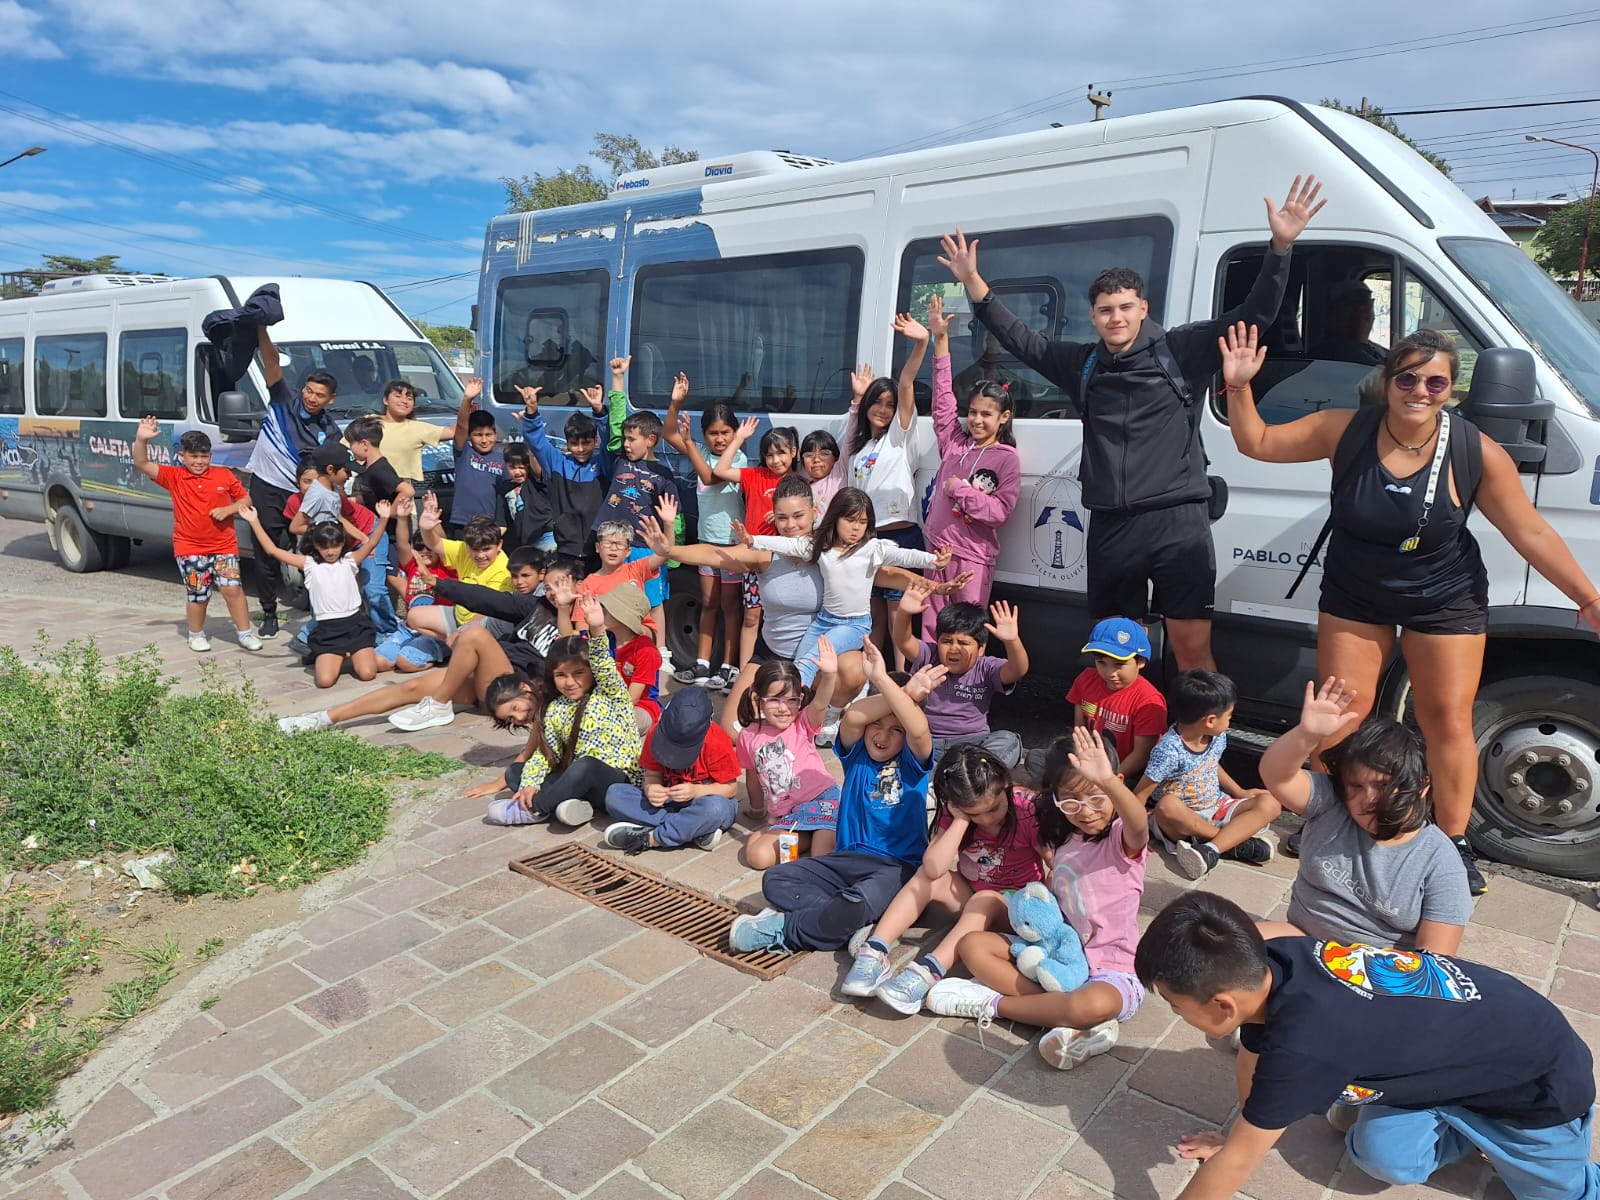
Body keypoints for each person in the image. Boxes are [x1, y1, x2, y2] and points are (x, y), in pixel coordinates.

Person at [1220, 322, 1600, 895]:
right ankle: (1331, 818)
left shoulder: (1474, 451)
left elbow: (1530, 532)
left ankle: (1453, 843)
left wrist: (1589, 599)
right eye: (1409, 378)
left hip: (1444, 595)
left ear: (1451, 390)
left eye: (1436, 382)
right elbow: (1258, 443)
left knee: (1446, 720)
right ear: (1388, 381)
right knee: (1341, 713)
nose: (1420, 391)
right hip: (1356, 592)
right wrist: (1240, 388)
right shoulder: (1344, 429)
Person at [938, 175, 1327, 671]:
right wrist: (975, 283)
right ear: (1094, 317)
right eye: (1105, 311)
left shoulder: (1182, 350)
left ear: (1143, 308)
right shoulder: (1083, 364)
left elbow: (1256, 314)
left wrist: (1280, 248)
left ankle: (1200, 744)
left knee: (1190, 648)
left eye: (1125, 308)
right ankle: (1123, 741)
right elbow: (1022, 341)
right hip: (1112, 527)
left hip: (1177, 523)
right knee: (1114, 651)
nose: (1115, 318)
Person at [1136, 891, 1600, 1200]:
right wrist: (1237, 1135)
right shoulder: (1275, 963)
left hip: (1535, 1086)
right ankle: (1450, 1122)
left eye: (1177, 1006)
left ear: (1221, 1006)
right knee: (1378, 1156)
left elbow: (1241, 1163)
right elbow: (1253, 1060)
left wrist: (1238, 1149)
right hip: (1450, 1060)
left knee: (1565, 1195)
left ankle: (1522, 1149)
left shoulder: (1305, 1045)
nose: (1176, 1014)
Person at [638, 477, 951, 744]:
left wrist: (931, 583)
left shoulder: (832, 549)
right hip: (772, 654)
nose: (791, 526)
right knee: (732, 732)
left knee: (854, 668)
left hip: (821, 657)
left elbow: (886, 572)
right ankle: (787, 730)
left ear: (815, 512)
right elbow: (718, 554)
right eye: (782, 518)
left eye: (799, 516)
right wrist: (670, 550)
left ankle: (823, 713)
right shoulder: (768, 553)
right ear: (774, 518)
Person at [926, 727, 1150, 1072]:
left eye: (1097, 797)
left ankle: (996, 1004)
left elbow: (1138, 824)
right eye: (1071, 802)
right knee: (972, 947)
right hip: (1056, 950)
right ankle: (1063, 1017)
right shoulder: (1061, 839)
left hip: (1111, 968)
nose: (1086, 811)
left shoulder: (1121, 842)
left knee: (1088, 1004)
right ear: (1056, 800)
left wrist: (1108, 782)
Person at [729, 641, 943, 954]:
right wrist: (899, 689)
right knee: (775, 880)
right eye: (877, 725)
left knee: (860, 900)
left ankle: (785, 930)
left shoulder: (913, 763)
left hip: (894, 866)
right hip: (843, 862)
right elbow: (855, 715)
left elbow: (919, 731)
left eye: (895, 730)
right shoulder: (855, 755)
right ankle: (849, 921)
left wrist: (898, 692)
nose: (882, 736)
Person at [1256, 677, 1472, 953]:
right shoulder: (1333, 803)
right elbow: (1276, 776)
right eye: (1356, 785)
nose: (1368, 798)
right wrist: (1306, 735)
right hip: (1301, 936)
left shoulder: (1440, 862)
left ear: (1421, 786)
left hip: (1376, 966)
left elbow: (1435, 959)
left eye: (1384, 786)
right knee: (1223, 954)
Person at [842, 744, 1043, 1014]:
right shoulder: (959, 810)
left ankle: (927, 972)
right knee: (927, 877)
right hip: (970, 895)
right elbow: (935, 867)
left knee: (984, 900)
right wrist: (960, 821)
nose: (984, 819)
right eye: (974, 813)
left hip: (1017, 909)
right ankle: (875, 952)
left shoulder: (1027, 811)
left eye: (993, 808)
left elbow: (1058, 868)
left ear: (1005, 784)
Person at [747, 487, 949, 683]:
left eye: (862, 522)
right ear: (835, 518)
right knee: (799, 664)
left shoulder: (873, 548)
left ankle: (802, 707)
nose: (856, 527)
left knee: (808, 664)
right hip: (823, 621)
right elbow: (788, 544)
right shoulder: (821, 547)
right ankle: (803, 710)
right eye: (850, 520)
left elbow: (905, 556)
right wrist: (752, 540)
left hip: (855, 625)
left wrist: (934, 561)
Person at [484, 594, 644, 827]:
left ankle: (535, 810)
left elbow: (602, 663)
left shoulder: (611, 693)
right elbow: (546, 754)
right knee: (515, 773)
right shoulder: (554, 708)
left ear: (591, 672)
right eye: (561, 675)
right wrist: (530, 783)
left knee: (585, 766)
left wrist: (597, 627)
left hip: (616, 784)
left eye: (578, 673)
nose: (570, 682)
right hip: (581, 784)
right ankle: (567, 805)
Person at [906, 296, 1021, 619]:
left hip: (973, 559)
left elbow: (999, 512)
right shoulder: (955, 444)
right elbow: (943, 402)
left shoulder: (1006, 458)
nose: (977, 420)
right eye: (972, 412)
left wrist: (960, 490)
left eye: (987, 414)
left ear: (1004, 417)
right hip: (938, 553)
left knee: (966, 629)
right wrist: (940, 341)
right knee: (933, 627)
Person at [275, 620, 542, 734]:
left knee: (475, 635)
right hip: (492, 672)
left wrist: (565, 611)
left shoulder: (565, 616)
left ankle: (438, 705)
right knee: (411, 687)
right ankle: (322, 718)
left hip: (509, 680)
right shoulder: (535, 605)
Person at [130, 418, 259, 652]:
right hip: (189, 547)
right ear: (182, 456)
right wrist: (141, 439)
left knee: (233, 589)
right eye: (193, 456)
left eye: (204, 456)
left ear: (210, 455)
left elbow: (246, 499)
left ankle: (245, 633)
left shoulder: (224, 476)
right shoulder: (173, 476)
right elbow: (141, 462)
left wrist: (228, 509)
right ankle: (196, 634)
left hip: (224, 545)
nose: (199, 461)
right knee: (199, 594)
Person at [243, 325, 339, 639]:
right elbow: (271, 363)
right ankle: (269, 613)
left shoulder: (331, 430)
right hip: (267, 487)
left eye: (320, 395)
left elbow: (334, 470)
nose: (312, 398)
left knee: (312, 551)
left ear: (330, 399)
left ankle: (319, 607)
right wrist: (260, 328)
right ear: (303, 389)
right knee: (266, 553)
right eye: (309, 391)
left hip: (303, 496)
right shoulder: (284, 399)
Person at [1141, 668, 1279, 879]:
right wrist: (1136, 839)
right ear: (1210, 720)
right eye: (1229, 716)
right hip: (1182, 822)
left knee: (1271, 802)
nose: (1230, 721)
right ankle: (1233, 843)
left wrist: (1239, 791)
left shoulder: (1217, 736)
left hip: (1216, 806)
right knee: (1168, 806)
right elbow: (1139, 795)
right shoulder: (1168, 750)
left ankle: (1211, 849)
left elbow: (1211, 765)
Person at [240, 501, 390, 688]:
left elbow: (373, 541)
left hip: (354, 625)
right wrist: (254, 521)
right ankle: (328, 657)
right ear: (316, 546)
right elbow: (272, 550)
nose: (330, 551)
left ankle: (356, 655)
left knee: (367, 674)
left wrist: (383, 518)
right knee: (325, 681)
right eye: (325, 546)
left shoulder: (350, 561)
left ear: (343, 544)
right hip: (327, 629)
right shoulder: (310, 565)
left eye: (335, 545)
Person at [661, 379, 745, 689]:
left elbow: (710, 478)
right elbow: (668, 433)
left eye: (726, 432)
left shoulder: (737, 459)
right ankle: (702, 664)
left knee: (730, 606)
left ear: (735, 434)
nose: (720, 438)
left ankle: (728, 666)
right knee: (709, 603)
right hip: (707, 543)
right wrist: (675, 404)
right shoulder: (701, 452)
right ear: (705, 434)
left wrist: (691, 445)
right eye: (713, 433)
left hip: (731, 547)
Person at [594, 355, 679, 652]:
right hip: (615, 542)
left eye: (633, 439)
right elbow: (616, 422)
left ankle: (660, 650)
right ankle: (616, 647)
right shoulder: (618, 459)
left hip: (646, 547)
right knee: (615, 596)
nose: (627, 444)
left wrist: (671, 551)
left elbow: (672, 515)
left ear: (651, 440)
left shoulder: (663, 474)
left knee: (653, 600)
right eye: (625, 439)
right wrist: (618, 379)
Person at [892, 581, 1028, 767]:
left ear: (981, 649)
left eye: (963, 643)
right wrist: (904, 612)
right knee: (899, 741)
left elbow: (1018, 669)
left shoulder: (986, 667)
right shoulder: (928, 655)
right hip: (927, 743)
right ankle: (949, 778)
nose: (953, 649)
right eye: (946, 641)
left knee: (1009, 741)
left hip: (972, 745)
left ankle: (967, 776)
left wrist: (1012, 641)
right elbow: (903, 639)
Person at [735, 646, 841, 869]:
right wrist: (757, 811)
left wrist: (830, 675)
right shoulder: (747, 736)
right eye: (774, 700)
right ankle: (802, 836)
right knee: (757, 857)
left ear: (801, 698)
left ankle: (813, 838)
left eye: (792, 699)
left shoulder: (803, 722)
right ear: (758, 698)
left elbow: (820, 703)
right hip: (788, 816)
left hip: (823, 802)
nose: (784, 708)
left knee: (821, 858)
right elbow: (752, 776)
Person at [602, 688, 739, 854]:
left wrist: (697, 791)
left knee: (717, 808)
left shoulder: (717, 741)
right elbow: (652, 774)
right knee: (614, 794)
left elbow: (731, 788)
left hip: (701, 802)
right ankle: (691, 829)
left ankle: (653, 838)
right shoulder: (655, 732)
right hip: (668, 805)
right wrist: (651, 787)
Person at [713, 416, 801, 668]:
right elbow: (720, 470)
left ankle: (784, 670)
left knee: (783, 617)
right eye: (769, 455)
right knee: (751, 617)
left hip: (783, 560)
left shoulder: (798, 482)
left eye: (782, 453)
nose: (776, 460)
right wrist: (739, 438)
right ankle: (745, 672)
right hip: (754, 557)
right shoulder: (755, 475)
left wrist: (783, 514)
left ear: (794, 452)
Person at [515, 381, 611, 560]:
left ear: (595, 442)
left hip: (599, 550)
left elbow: (611, 441)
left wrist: (599, 410)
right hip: (567, 549)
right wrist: (532, 409)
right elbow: (537, 442)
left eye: (586, 443)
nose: (580, 449)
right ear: (567, 443)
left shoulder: (603, 463)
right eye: (574, 443)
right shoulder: (558, 463)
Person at [1066, 617, 1167, 783]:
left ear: (1140, 661)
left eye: (1119, 664)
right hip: (1090, 763)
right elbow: (1079, 728)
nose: (1110, 672)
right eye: (1101, 662)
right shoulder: (1085, 680)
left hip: (1125, 774)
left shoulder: (1149, 700)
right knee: (1041, 760)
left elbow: (1142, 755)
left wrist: (1107, 780)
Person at [407, 496, 511, 642]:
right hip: (458, 615)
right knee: (413, 616)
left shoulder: (503, 569)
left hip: (482, 624)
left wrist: (463, 631)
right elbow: (435, 543)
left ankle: (460, 644)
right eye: (475, 549)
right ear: (466, 545)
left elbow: (490, 612)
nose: (480, 555)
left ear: (499, 545)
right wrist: (425, 528)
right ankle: (453, 644)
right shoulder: (463, 550)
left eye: (486, 549)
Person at [343, 415, 411, 638]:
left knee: (390, 578)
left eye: (351, 444)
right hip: (377, 531)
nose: (351, 450)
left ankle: (412, 612)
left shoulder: (380, 469)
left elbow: (406, 491)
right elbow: (370, 499)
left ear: (364, 444)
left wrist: (389, 513)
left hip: (388, 534)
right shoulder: (368, 469)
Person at [375, 378, 458, 486]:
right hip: (371, 492)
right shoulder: (369, 423)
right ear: (385, 400)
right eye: (398, 396)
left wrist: (467, 401)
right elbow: (347, 451)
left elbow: (452, 432)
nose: (404, 401)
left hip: (402, 495)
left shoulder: (416, 428)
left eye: (409, 398)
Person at [450, 404, 508, 530]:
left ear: (495, 435)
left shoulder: (503, 460)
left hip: (489, 525)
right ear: (469, 435)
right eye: (478, 435)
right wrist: (467, 400)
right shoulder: (464, 453)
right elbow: (460, 427)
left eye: (488, 434)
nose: (484, 440)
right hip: (463, 523)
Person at [1308, 280, 1386, 366]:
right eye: (1353, 304)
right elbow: (1384, 371)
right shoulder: (1333, 351)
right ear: (1333, 314)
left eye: (1367, 303)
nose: (1361, 309)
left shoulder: (1375, 348)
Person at [495, 443, 555, 552]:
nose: (517, 472)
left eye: (522, 467)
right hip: (525, 542)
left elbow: (536, 464)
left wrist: (531, 444)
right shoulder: (504, 489)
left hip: (546, 535)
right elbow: (502, 524)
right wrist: (488, 540)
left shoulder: (537, 481)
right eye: (512, 467)